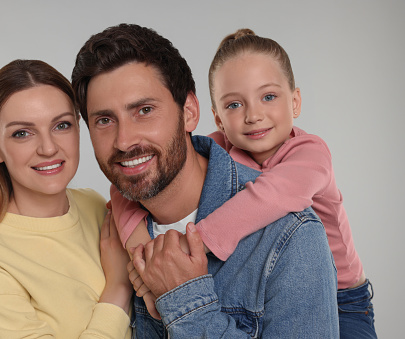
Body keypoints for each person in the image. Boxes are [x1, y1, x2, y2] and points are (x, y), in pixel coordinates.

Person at [71, 23, 339, 338]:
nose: (124, 141)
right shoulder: (104, 232)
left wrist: (186, 298)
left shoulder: (289, 235)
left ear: (189, 112)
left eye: (144, 110)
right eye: (104, 120)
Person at [0, 59, 132, 338]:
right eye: (22, 133)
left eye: (61, 125)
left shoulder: (95, 206)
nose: (48, 148)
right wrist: (118, 289)